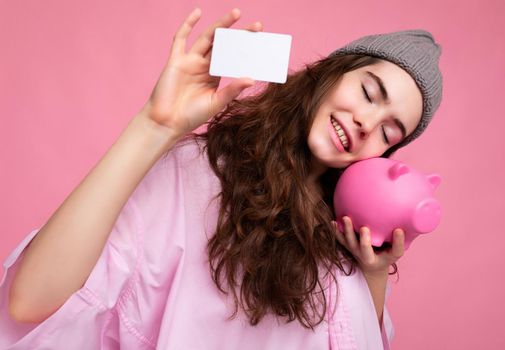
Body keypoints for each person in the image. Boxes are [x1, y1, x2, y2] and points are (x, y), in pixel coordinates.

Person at [0, 7, 442, 350]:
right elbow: (32, 303)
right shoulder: (196, 172)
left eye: (389, 131)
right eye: (368, 92)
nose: (367, 123)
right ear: (329, 74)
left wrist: (374, 276)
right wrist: (154, 127)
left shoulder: (344, 238)